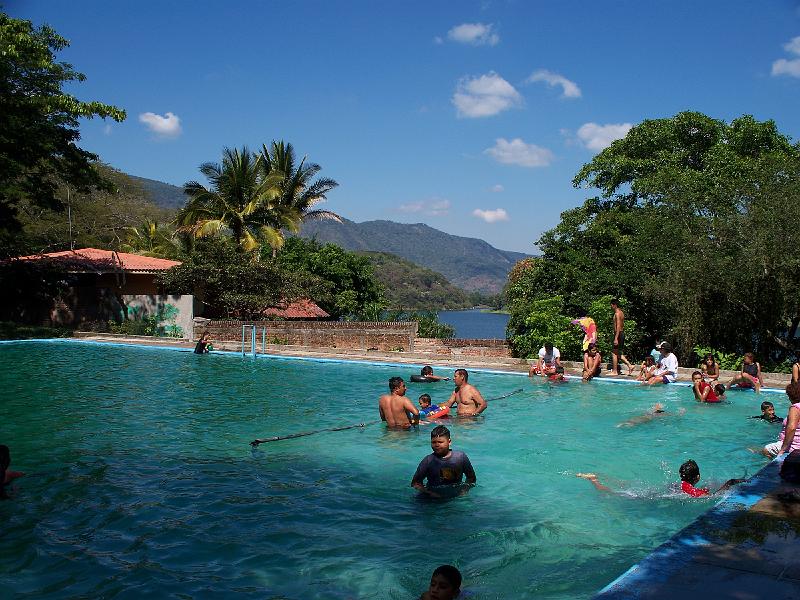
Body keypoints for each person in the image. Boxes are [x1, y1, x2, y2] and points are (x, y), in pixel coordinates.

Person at [576, 459, 745, 497]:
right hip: (650, 497)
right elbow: (711, 496)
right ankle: (595, 481)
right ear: (698, 476)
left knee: (625, 485)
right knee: (614, 493)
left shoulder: (679, 484)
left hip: (657, 490)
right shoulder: (692, 490)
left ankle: (598, 476)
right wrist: (729, 484)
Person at [411, 425, 476, 498]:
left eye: (440, 442)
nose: (437, 445)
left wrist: (464, 491)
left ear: (449, 442)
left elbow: (471, 478)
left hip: (455, 497)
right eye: (433, 442)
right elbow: (415, 483)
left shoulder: (460, 457)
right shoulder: (428, 461)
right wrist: (429, 493)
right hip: (432, 498)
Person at [762, 382, 800, 457]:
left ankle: (775, 466)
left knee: (766, 450)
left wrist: (783, 449)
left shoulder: (795, 407)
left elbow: (792, 428)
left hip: (795, 446)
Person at [610, 299, 634, 376]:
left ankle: (615, 371)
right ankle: (630, 365)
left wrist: (616, 338)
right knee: (618, 353)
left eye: (611, 305)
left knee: (614, 353)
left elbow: (618, 326)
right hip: (621, 333)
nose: (611, 306)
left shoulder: (617, 314)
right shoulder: (621, 313)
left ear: (614, 305)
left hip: (618, 334)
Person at [617, 403, 685, 427]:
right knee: (645, 418)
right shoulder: (661, 414)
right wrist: (681, 413)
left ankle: (627, 422)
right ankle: (629, 423)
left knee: (642, 418)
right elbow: (674, 415)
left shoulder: (650, 411)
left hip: (648, 416)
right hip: (650, 417)